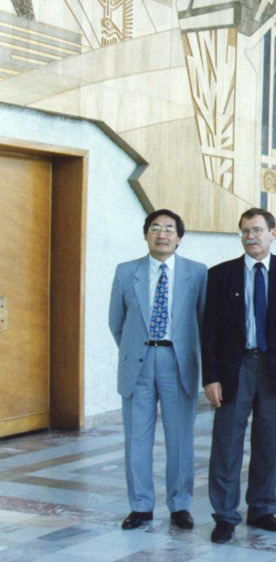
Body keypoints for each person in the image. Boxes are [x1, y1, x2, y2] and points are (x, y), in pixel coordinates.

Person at [202, 208, 276, 544]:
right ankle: (225, 515)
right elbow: (209, 331)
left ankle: (262, 509)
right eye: (245, 231)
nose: (251, 237)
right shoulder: (220, 275)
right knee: (227, 444)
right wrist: (211, 377)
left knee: (268, 441)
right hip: (236, 369)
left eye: (258, 230)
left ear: (273, 233)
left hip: (275, 371)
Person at [109, 209, 207, 531]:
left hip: (178, 362)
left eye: (168, 229)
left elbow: (203, 321)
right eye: (155, 228)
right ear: (145, 234)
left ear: (179, 237)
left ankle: (180, 505)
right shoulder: (127, 272)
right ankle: (140, 506)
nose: (162, 234)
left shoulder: (197, 273)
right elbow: (116, 321)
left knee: (180, 438)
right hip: (138, 362)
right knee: (137, 437)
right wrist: (136, 349)